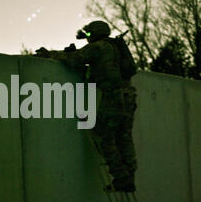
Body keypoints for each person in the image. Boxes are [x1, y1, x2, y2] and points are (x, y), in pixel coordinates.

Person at [35, 21, 138, 192]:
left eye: (89, 34)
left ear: (96, 33)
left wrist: (49, 54)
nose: (87, 38)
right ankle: (130, 177)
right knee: (124, 137)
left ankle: (120, 177)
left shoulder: (99, 47)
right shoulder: (115, 46)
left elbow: (74, 60)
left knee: (104, 136)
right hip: (128, 96)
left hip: (113, 96)